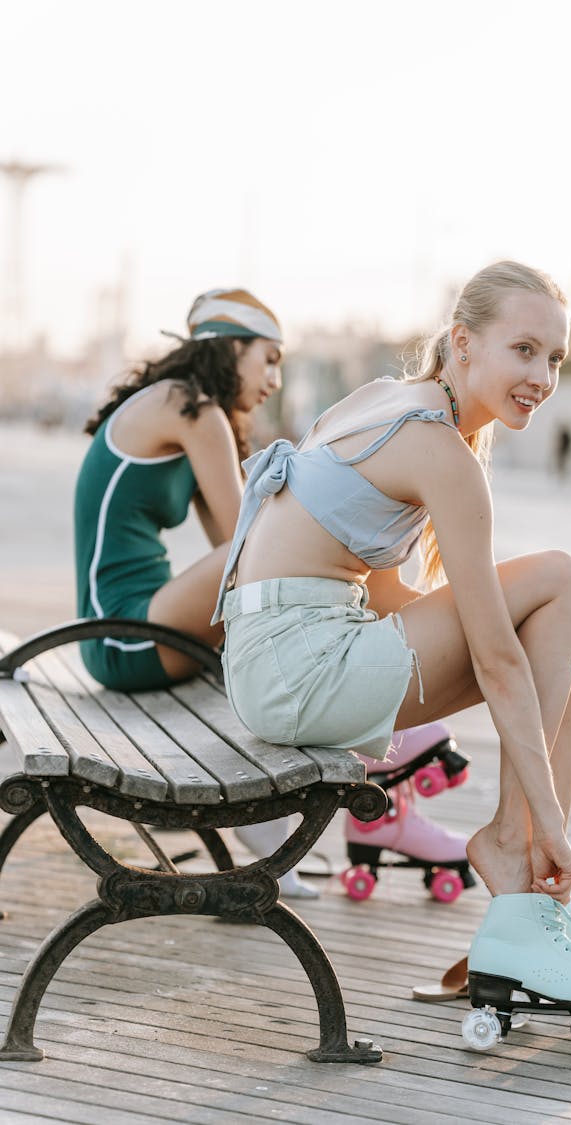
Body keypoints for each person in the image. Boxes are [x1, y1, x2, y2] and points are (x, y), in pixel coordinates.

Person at [212, 261, 571, 1010]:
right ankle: (518, 857)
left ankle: (538, 908)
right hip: (297, 668)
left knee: (562, 643)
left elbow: (396, 598)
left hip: (279, 663)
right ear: (463, 341)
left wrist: (538, 643)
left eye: (554, 358)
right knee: (562, 577)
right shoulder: (438, 448)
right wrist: (552, 822)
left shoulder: (389, 403)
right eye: (523, 350)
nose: (542, 376)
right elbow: (488, 654)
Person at [73, 287, 319, 897]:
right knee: (282, 561)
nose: (274, 379)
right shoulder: (192, 409)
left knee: (273, 578)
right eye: (269, 358)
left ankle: (268, 822)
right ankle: (274, 819)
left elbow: (233, 547)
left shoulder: (185, 406)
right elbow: (250, 545)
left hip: (127, 630)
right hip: (124, 632)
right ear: (232, 349)